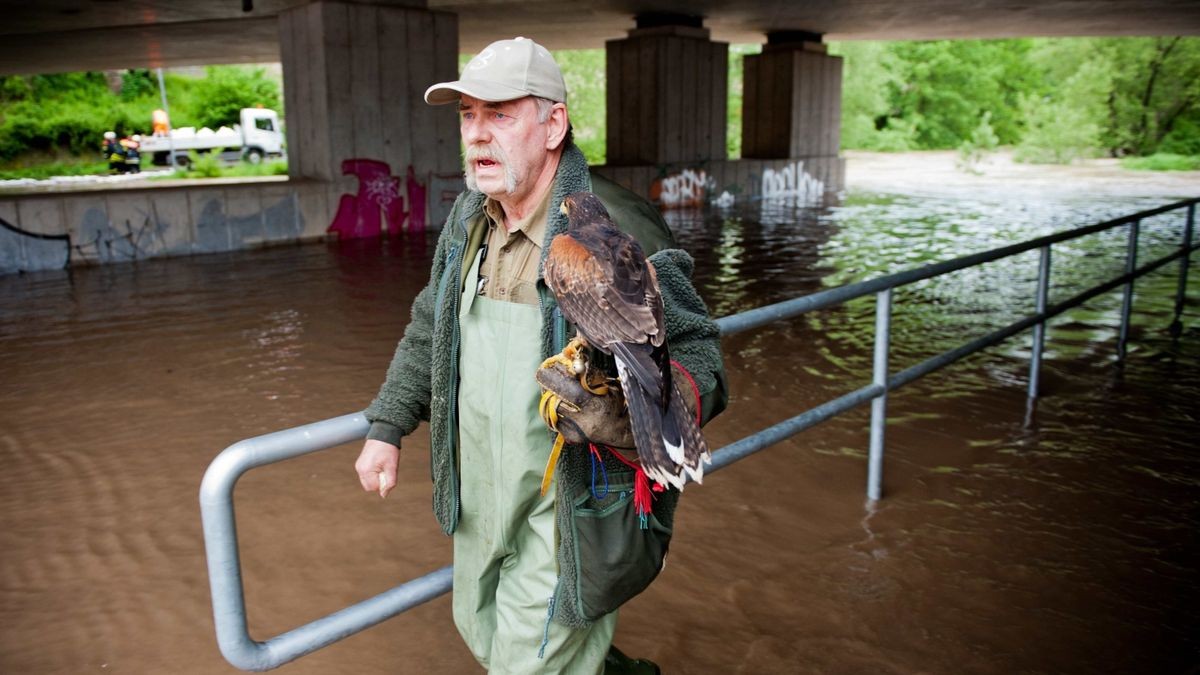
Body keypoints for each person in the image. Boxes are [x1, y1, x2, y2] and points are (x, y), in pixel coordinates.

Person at [354, 37, 727, 674]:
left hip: (571, 510)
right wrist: (388, 426)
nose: (477, 135)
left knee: (526, 666)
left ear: (553, 124)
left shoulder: (616, 225)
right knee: (484, 633)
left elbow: (701, 360)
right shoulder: (472, 218)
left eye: (500, 115)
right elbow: (430, 323)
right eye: (468, 115)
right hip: (482, 497)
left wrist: (637, 414)